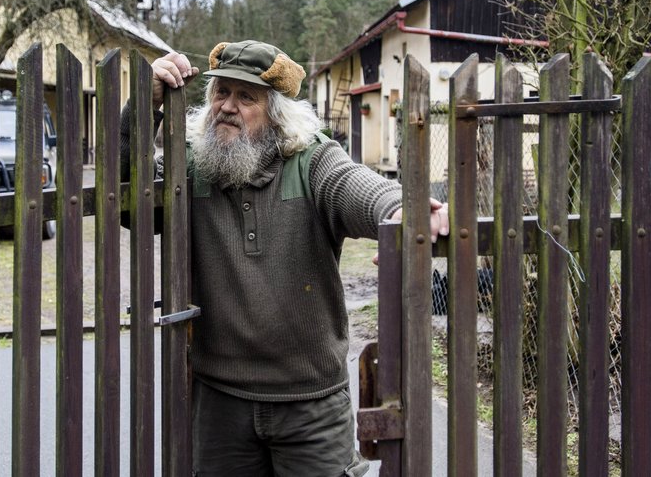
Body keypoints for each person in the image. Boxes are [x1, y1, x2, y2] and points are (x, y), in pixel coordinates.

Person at [126, 40, 448, 476]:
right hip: (220, 403)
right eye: (221, 92)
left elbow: (354, 185)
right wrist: (144, 108)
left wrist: (400, 209)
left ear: (276, 113)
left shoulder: (311, 161)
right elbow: (129, 202)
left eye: (246, 97)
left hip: (311, 406)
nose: (227, 106)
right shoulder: (193, 168)